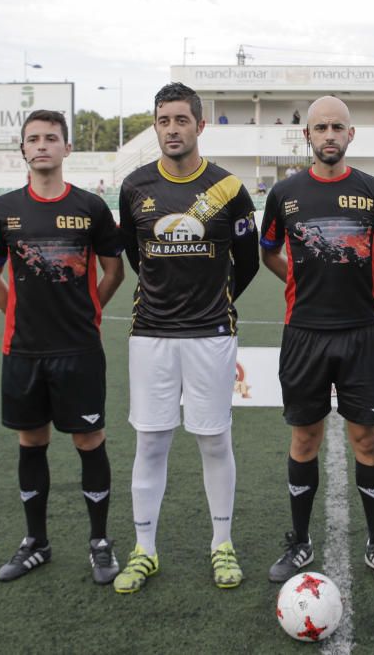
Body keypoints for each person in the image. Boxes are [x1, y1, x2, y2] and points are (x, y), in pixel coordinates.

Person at [114, 82, 259, 594]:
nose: (172, 129)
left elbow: (248, 263)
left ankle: (222, 545)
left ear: (200, 125)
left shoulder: (228, 189)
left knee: (214, 439)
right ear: (155, 126)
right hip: (150, 332)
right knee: (151, 441)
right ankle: (144, 549)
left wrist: (211, 303)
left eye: (181, 120)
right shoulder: (134, 187)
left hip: (211, 334)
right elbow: (138, 258)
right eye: (163, 120)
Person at [260, 96, 374, 587]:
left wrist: (371, 282)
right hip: (304, 333)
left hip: (361, 333)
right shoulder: (284, 194)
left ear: (350, 135)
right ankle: (300, 542)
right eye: (319, 127)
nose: (328, 135)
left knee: (366, 438)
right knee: (305, 436)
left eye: (337, 127)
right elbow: (269, 252)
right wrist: (297, 283)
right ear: (307, 135)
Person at [0, 109, 125, 585]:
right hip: (23, 351)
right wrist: (15, 315)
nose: (42, 145)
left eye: (51, 138)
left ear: (67, 148)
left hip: (79, 350)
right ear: (23, 149)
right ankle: (36, 542)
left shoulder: (91, 207)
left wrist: (89, 311)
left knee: (89, 441)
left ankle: (100, 542)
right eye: (33, 138)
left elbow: (113, 271)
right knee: (31, 441)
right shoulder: (3, 209)